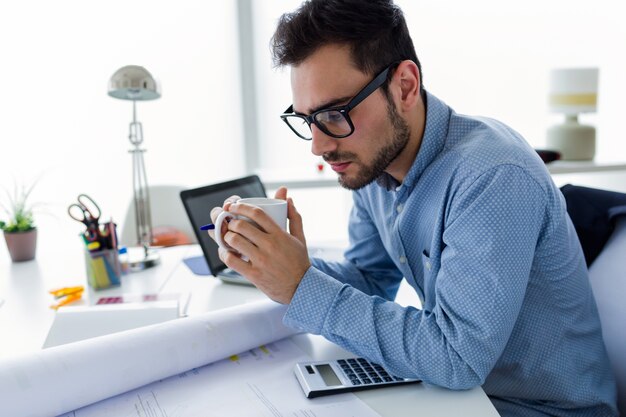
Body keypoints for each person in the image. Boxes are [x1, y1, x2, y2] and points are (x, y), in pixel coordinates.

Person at [209, 1, 618, 415]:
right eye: (307, 119)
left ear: (404, 85)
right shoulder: (374, 164)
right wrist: (277, 265)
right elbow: (371, 278)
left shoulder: (491, 176)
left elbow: (457, 359)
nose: (319, 145)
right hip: (461, 398)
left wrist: (301, 286)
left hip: (541, 409)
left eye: (334, 114)